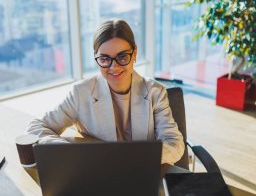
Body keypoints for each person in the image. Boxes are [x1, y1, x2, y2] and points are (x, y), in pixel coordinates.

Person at [26, 19, 184, 170]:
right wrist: (69, 152)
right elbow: (36, 127)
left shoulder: (155, 92)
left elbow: (175, 143)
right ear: (97, 57)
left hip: (142, 172)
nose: (114, 67)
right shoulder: (81, 93)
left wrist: (137, 158)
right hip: (95, 172)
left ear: (134, 53)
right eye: (104, 58)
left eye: (122, 56)